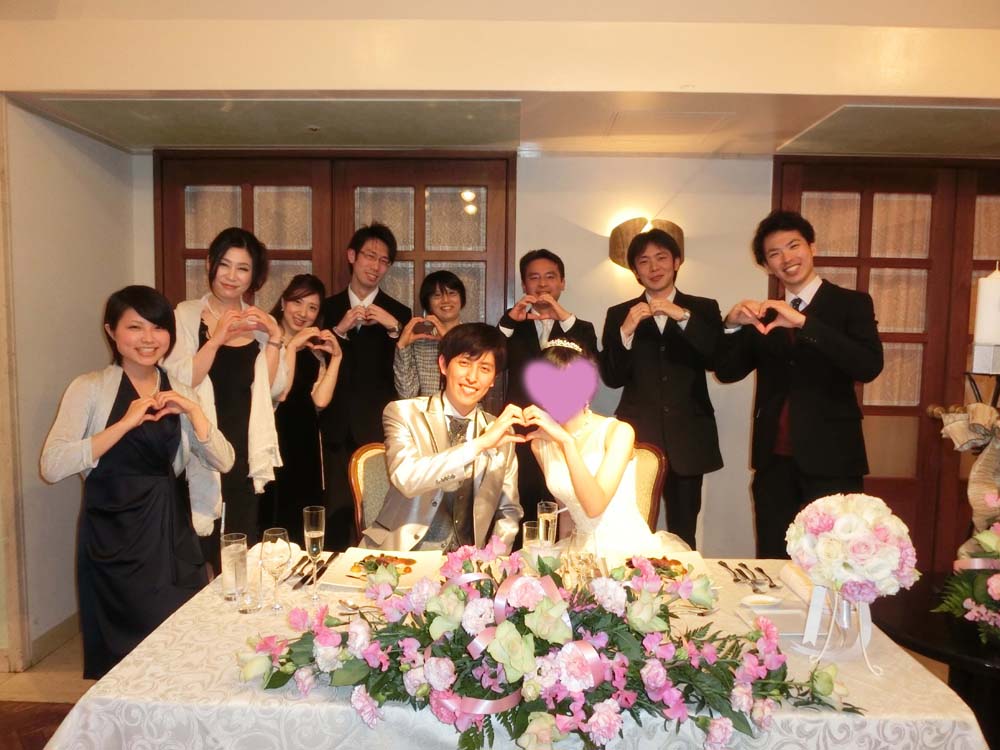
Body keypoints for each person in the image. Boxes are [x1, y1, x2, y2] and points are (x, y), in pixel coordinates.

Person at [41, 286, 234, 679]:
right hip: (111, 535)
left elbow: (224, 460)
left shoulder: (180, 389)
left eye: (158, 327)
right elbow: (53, 465)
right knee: (122, 658)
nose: (148, 338)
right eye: (135, 327)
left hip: (171, 532)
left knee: (179, 645)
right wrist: (124, 424)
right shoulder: (89, 388)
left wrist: (194, 412)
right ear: (111, 331)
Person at [715, 209, 883, 559]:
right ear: (766, 265)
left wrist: (805, 323)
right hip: (774, 462)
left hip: (834, 460)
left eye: (794, 246)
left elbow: (867, 366)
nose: (787, 258)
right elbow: (727, 371)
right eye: (774, 253)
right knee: (774, 557)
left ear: (812, 247)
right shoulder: (764, 313)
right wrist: (731, 324)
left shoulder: (851, 303)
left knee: (834, 561)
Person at [164, 227, 286, 554]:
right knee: (198, 548)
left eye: (242, 268)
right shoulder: (186, 315)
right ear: (210, 264)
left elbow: (272, 390)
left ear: (254, 276)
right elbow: (180, 380)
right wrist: (217, 338)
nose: (232, 276)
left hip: (245, 448)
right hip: (200, 445)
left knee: (239, 546)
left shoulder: (260, 323)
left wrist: (275, 337)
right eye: (224, 264)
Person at [599, 229, 723, 549]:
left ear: (677, 262)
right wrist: (626, 331)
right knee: (634, 528)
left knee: (685, 532)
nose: (654, 267)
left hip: (689, 436)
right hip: (638, 435)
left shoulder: (703, 308)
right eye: (644, 261)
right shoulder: (619, 313)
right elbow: (612, 376)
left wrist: (683, 317)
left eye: (661, 258)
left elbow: (718, 359)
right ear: (635, 271)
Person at [361, 323, 523, 552]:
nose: (472, 377)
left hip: (467, 562)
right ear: (444, 364)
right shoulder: (402, 413)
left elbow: (509, 511)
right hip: (404, 555)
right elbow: (406, 479)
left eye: (485, 368)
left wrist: (492, 560)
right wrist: (479, 445)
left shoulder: (501, 431)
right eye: (464, 363)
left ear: (493, 379)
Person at [526, 341, 690, 564]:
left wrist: (566, 442)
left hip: (626, 552)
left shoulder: (618, 432)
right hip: (579, 553)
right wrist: (563, 560)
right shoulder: (540, 444)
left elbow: (595, 506)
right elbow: (566, 510)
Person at [319, 222, 412, 549]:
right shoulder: (325, 308)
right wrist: (339, 330)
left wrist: (394, 328)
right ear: (352, 256)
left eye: (384, 261)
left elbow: (406, 371)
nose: (375, 266)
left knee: (379, 516)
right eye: (370, 256)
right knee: (334, 514)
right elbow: (313, 363)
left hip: (378, 426)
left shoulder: (399, 313)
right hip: (334, 426)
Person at [497, 249, 598, 531]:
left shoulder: (580, 328)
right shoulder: (513, 327)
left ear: (562, 282)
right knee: (522, 505)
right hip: (523, 430)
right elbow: (491, 360)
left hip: (568, 431)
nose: (542, 284)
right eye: (534, 278)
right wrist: (510, 321)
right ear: (524, 284)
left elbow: (590, 365)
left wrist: (563, 317)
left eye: (550, 277)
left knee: (564, 505)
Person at [267, 274, 342, 546]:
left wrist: (337, 358)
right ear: (283, 303)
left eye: (312, 307)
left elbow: (320, 401)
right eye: (297, 302)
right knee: (274, 513)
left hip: (306, 441)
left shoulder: (312, 349)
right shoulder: (267, 340)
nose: (303, 313)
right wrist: (291, 347)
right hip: (273, 436)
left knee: (305, 515)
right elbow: (281, 391)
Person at [394, 270, 466, 398]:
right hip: (426, 410)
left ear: (461, 298)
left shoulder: (477, 338)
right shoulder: (420, 342)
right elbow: (407, 394)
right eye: (437, 295)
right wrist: (402, 347)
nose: (446, 300)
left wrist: (448, 341)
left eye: (452, 293)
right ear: (428, 304)